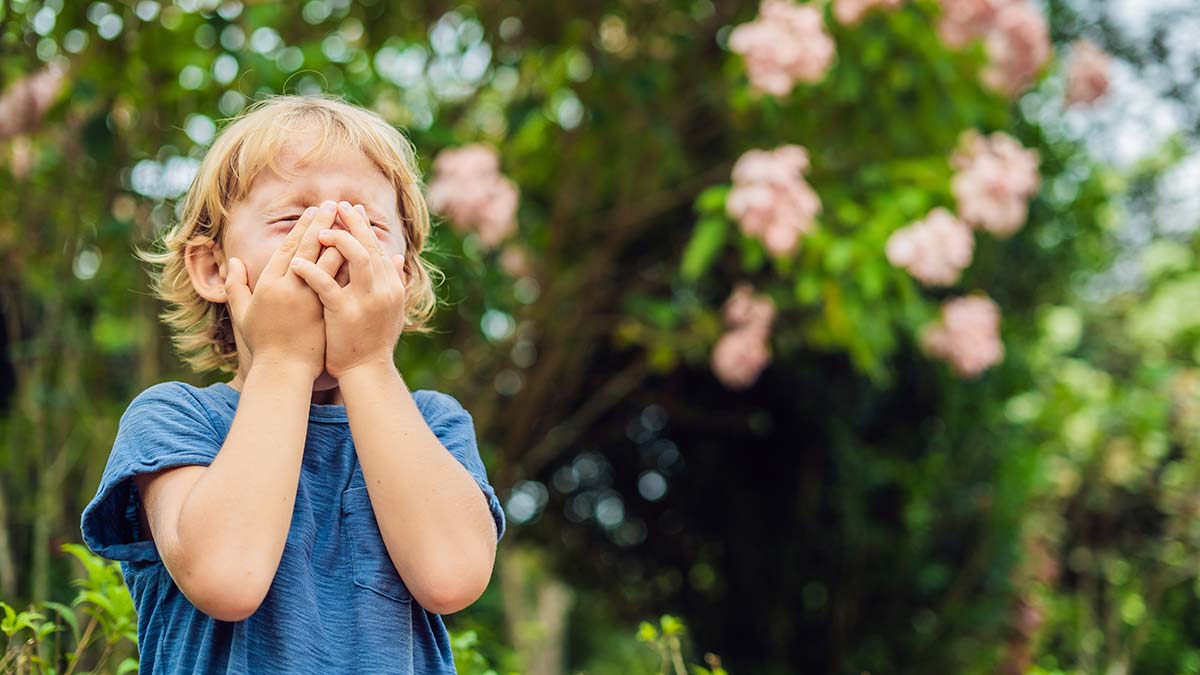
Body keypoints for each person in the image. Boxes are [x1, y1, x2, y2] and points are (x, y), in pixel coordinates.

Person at [79, 93, 506, 674]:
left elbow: (453, 578)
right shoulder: (173, 419)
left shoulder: (433, 424)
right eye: (291, 221)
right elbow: (227, 578)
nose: (330, 242)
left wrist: (366, 365)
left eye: (368, 224)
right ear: (212, 269)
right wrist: (282, 360)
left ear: (400, 280)